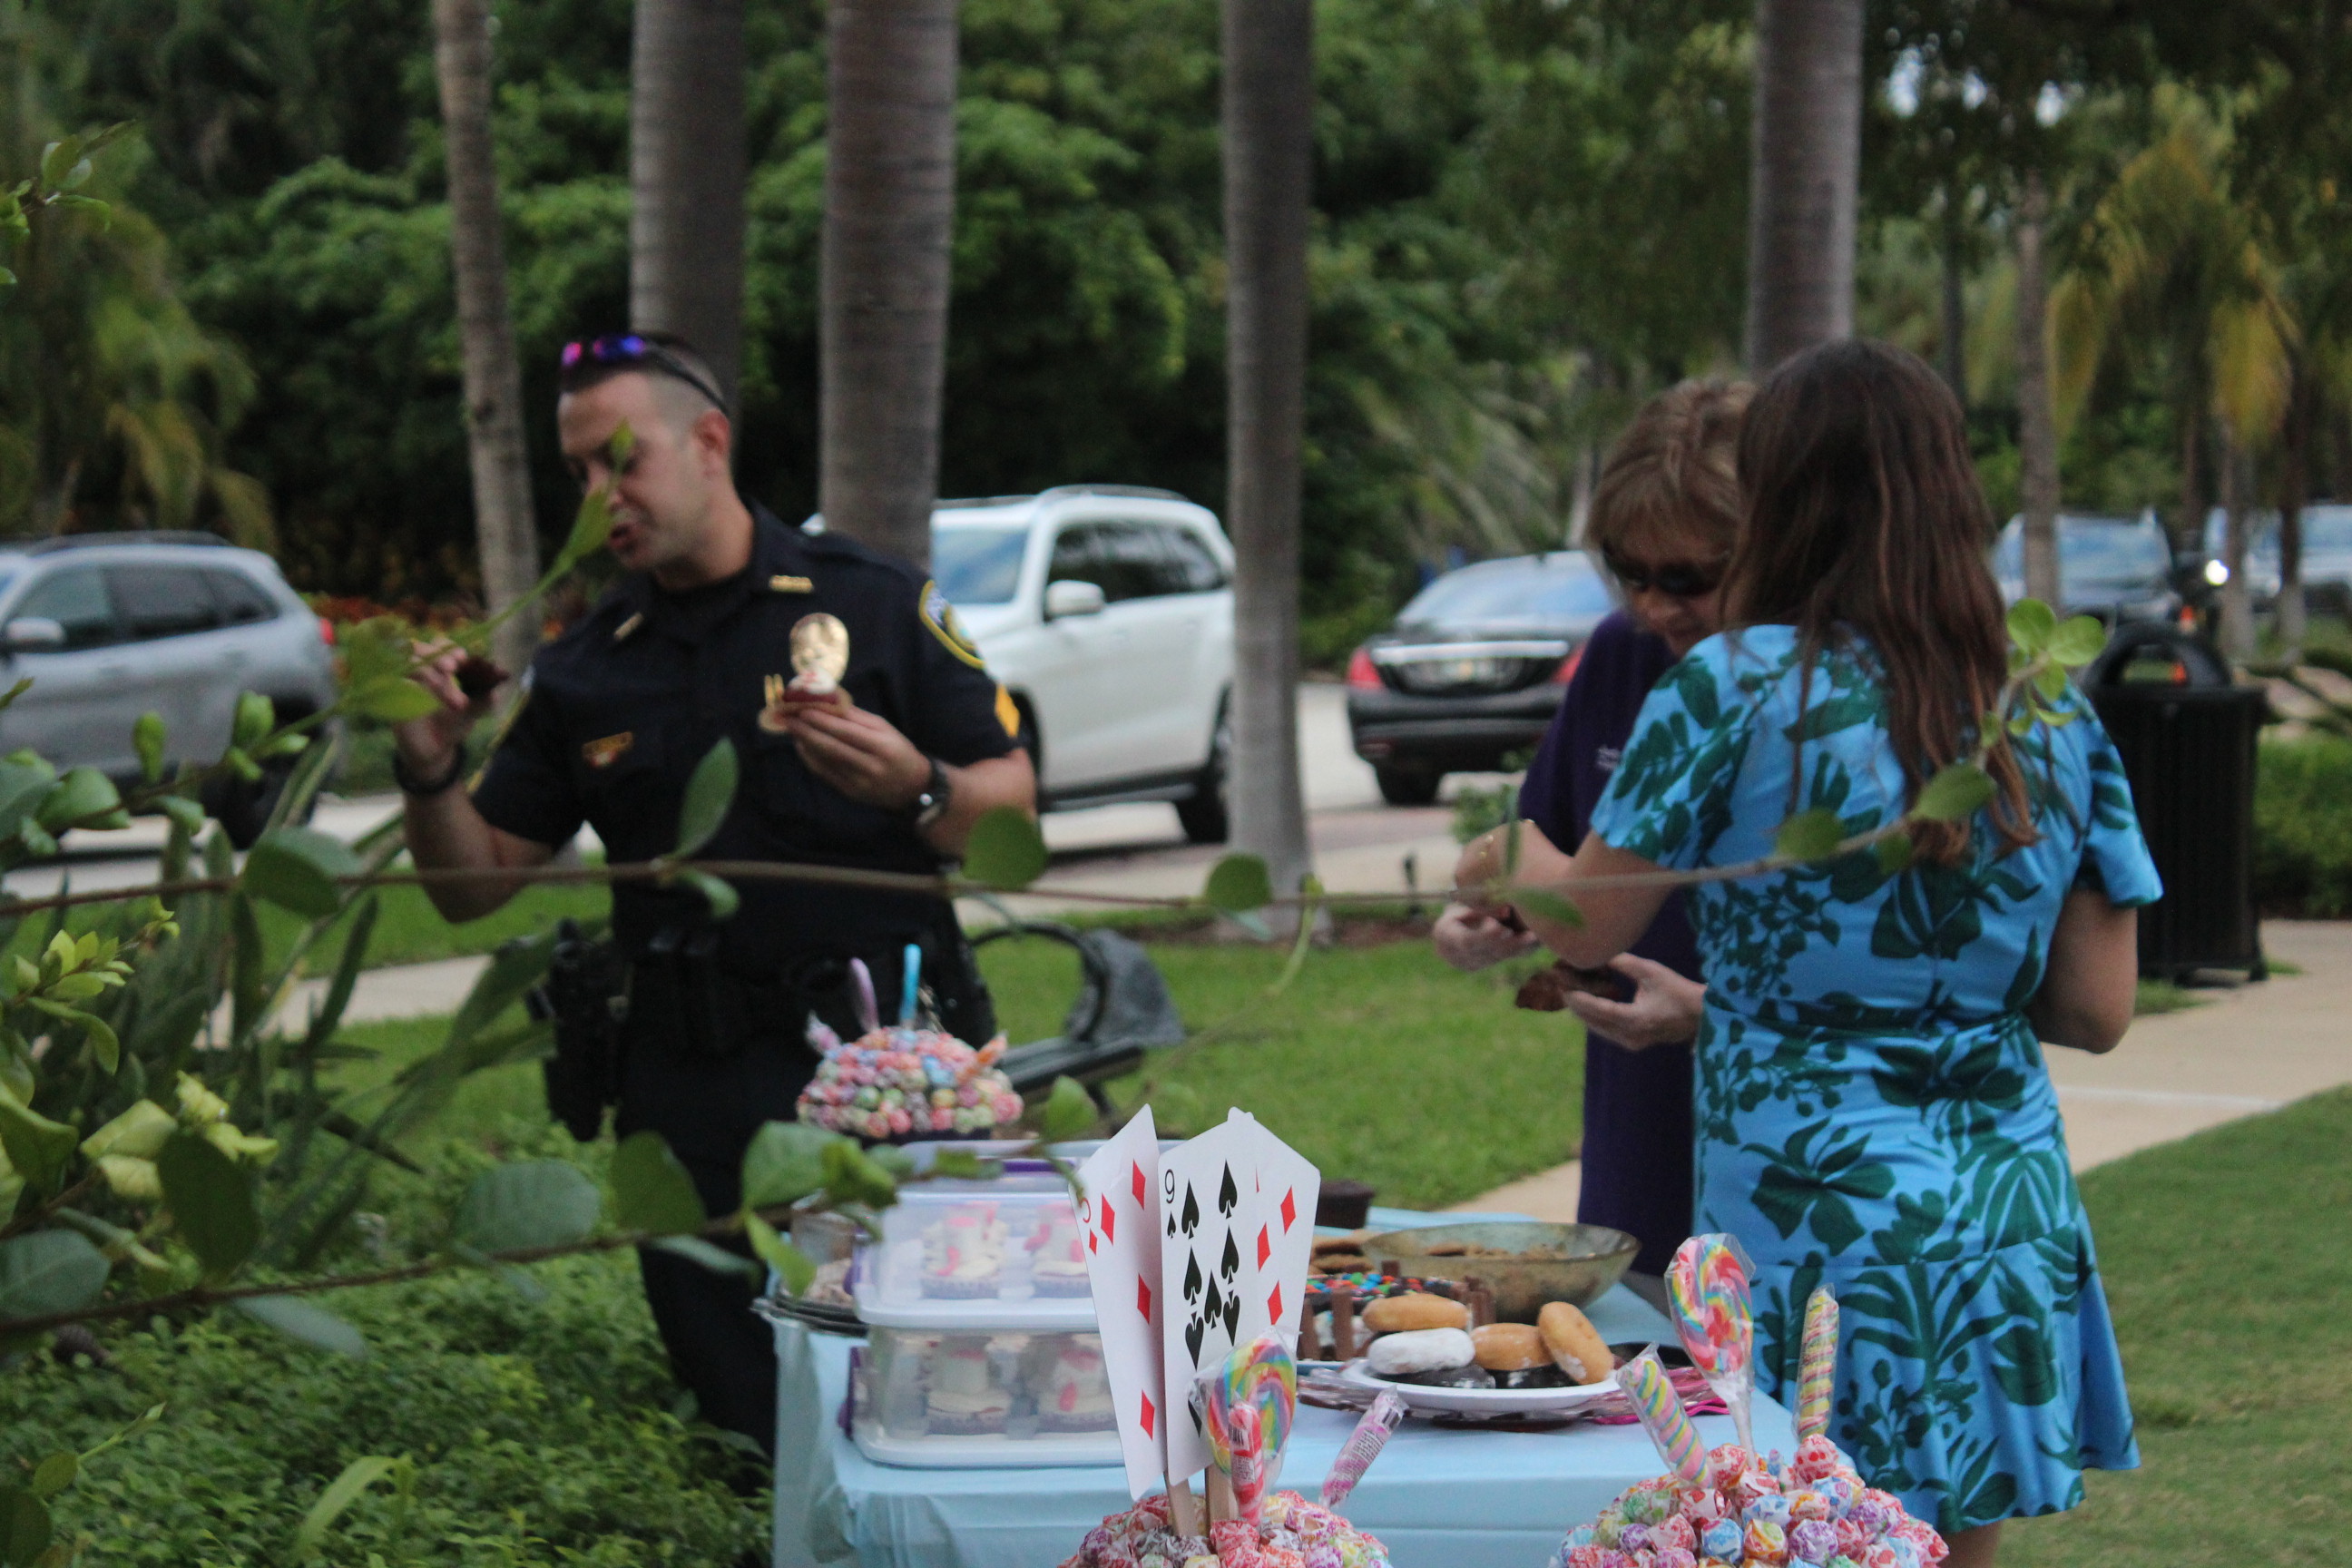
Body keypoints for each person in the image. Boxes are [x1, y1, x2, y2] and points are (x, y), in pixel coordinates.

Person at [1459, 340, 2155, 1564]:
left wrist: (1500, 851)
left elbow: (1587, 922)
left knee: (1778, 1536)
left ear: (1775, 499)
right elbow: (2097, 1009)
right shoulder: (2044, 707)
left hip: (1805, 1228)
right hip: (2003, 1220)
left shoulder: (1730, 687)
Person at [392, 332, 1037, 1452]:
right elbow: (471, 884)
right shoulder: (590, 665)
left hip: (884, 1081)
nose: (599, 499)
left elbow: (1014, 815)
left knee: (930, 1394)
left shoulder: (873, 603)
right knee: (748, 1431)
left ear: (708, 443)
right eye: (578, 475)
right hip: (687, 1099)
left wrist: (918, 784)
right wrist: (429, 768)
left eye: (621, 461)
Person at [1434, 379, 1748, 1294]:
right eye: (1629, 572)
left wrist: (1713, 1016)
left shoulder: (1818, 695)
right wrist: (1483, 919)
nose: (1656, 606)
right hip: (1637, 1149)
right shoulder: (1622, 655)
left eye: (1688, 578)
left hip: (1779, 1160)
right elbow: (1554, 865)